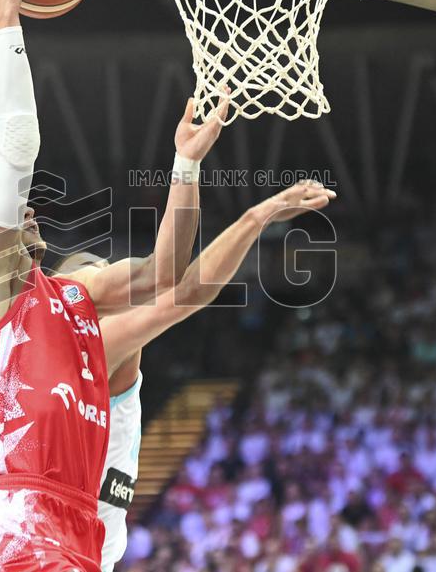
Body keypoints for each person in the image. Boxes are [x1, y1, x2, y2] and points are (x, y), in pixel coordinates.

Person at [0, 0, 226, 572]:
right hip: (21, 519)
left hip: (79, 526)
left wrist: (184, 167)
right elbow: (15, 156)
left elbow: (165, 273)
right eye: (1, 209)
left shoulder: (72, 297)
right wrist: (3, 18)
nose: (22, 211)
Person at [57, 181, 335, 571]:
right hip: (49, 553)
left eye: (110, 272)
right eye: (98, 278)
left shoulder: (66, 356)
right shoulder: (94, 345)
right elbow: (189, 289)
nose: (114, 284)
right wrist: (256, 217)